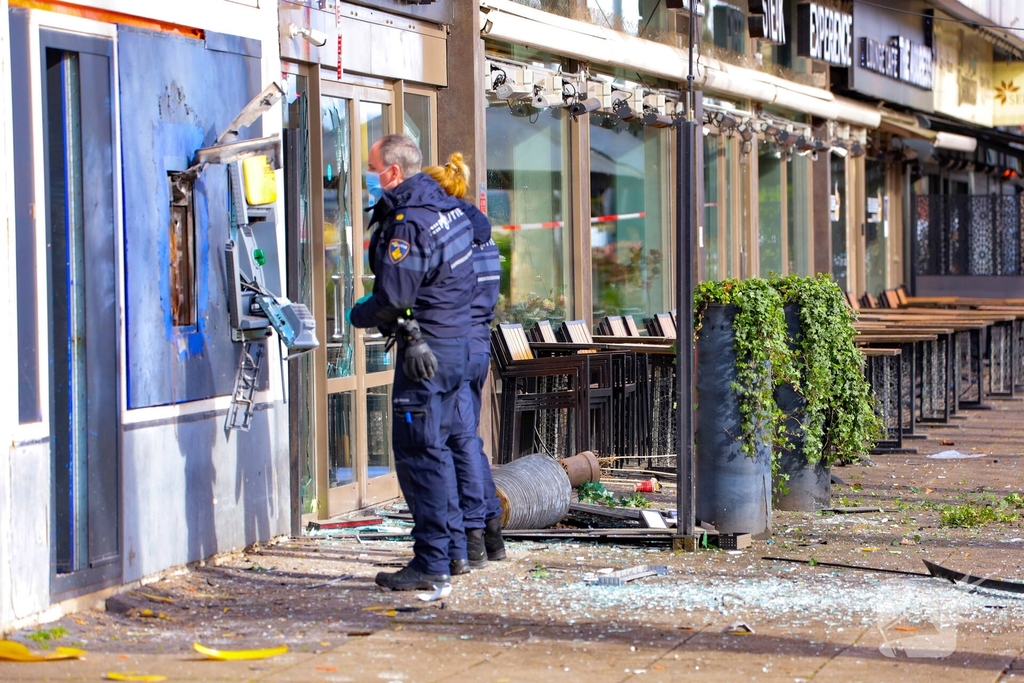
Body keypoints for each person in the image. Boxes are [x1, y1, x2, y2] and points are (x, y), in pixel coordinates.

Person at [349, 134, 475, 592]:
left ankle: (431, 562)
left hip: (426, 355)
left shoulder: (410, 222)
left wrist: (358, 314)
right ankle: (454, 552)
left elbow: (394, 296)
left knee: (420, 456)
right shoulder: (449, 210)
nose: (370, 178)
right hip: (456, 345)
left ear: (393, 172)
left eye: (372, 169)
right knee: (438, 452)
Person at [423, 153, 506, 568]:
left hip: (455, 346)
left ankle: (473, 535)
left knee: (460, 443)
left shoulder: (449, 237)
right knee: (468, 439)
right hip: (478, 344)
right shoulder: (482, 234)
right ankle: (491, 532)